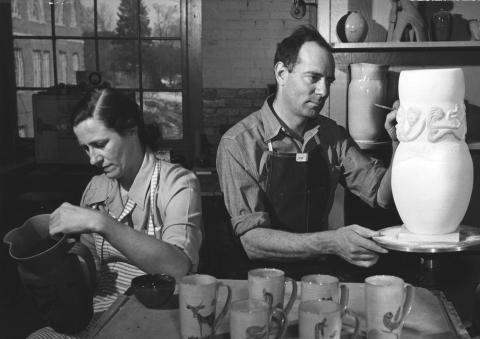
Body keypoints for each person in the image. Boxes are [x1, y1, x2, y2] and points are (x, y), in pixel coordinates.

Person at [216, 25, 398, 280]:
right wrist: (333, 242)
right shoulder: (239, 143)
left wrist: (400, 144)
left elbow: (382, 196)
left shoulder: (332, 135)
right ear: (281, 73)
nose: (323, 91)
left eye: (329, 81)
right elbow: (253, 241)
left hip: (318, 278)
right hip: (260, 283)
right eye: (313, 78)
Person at [29, 88, 202, 338]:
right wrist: (58, 269)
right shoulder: (97, 187)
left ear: (131, 129)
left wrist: (103, 223)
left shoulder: (178, 183)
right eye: (86, 149)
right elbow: (91, 269)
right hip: (102, 314)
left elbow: (178, 268)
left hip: (160, 317)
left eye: (100, 144)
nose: (93, 160)